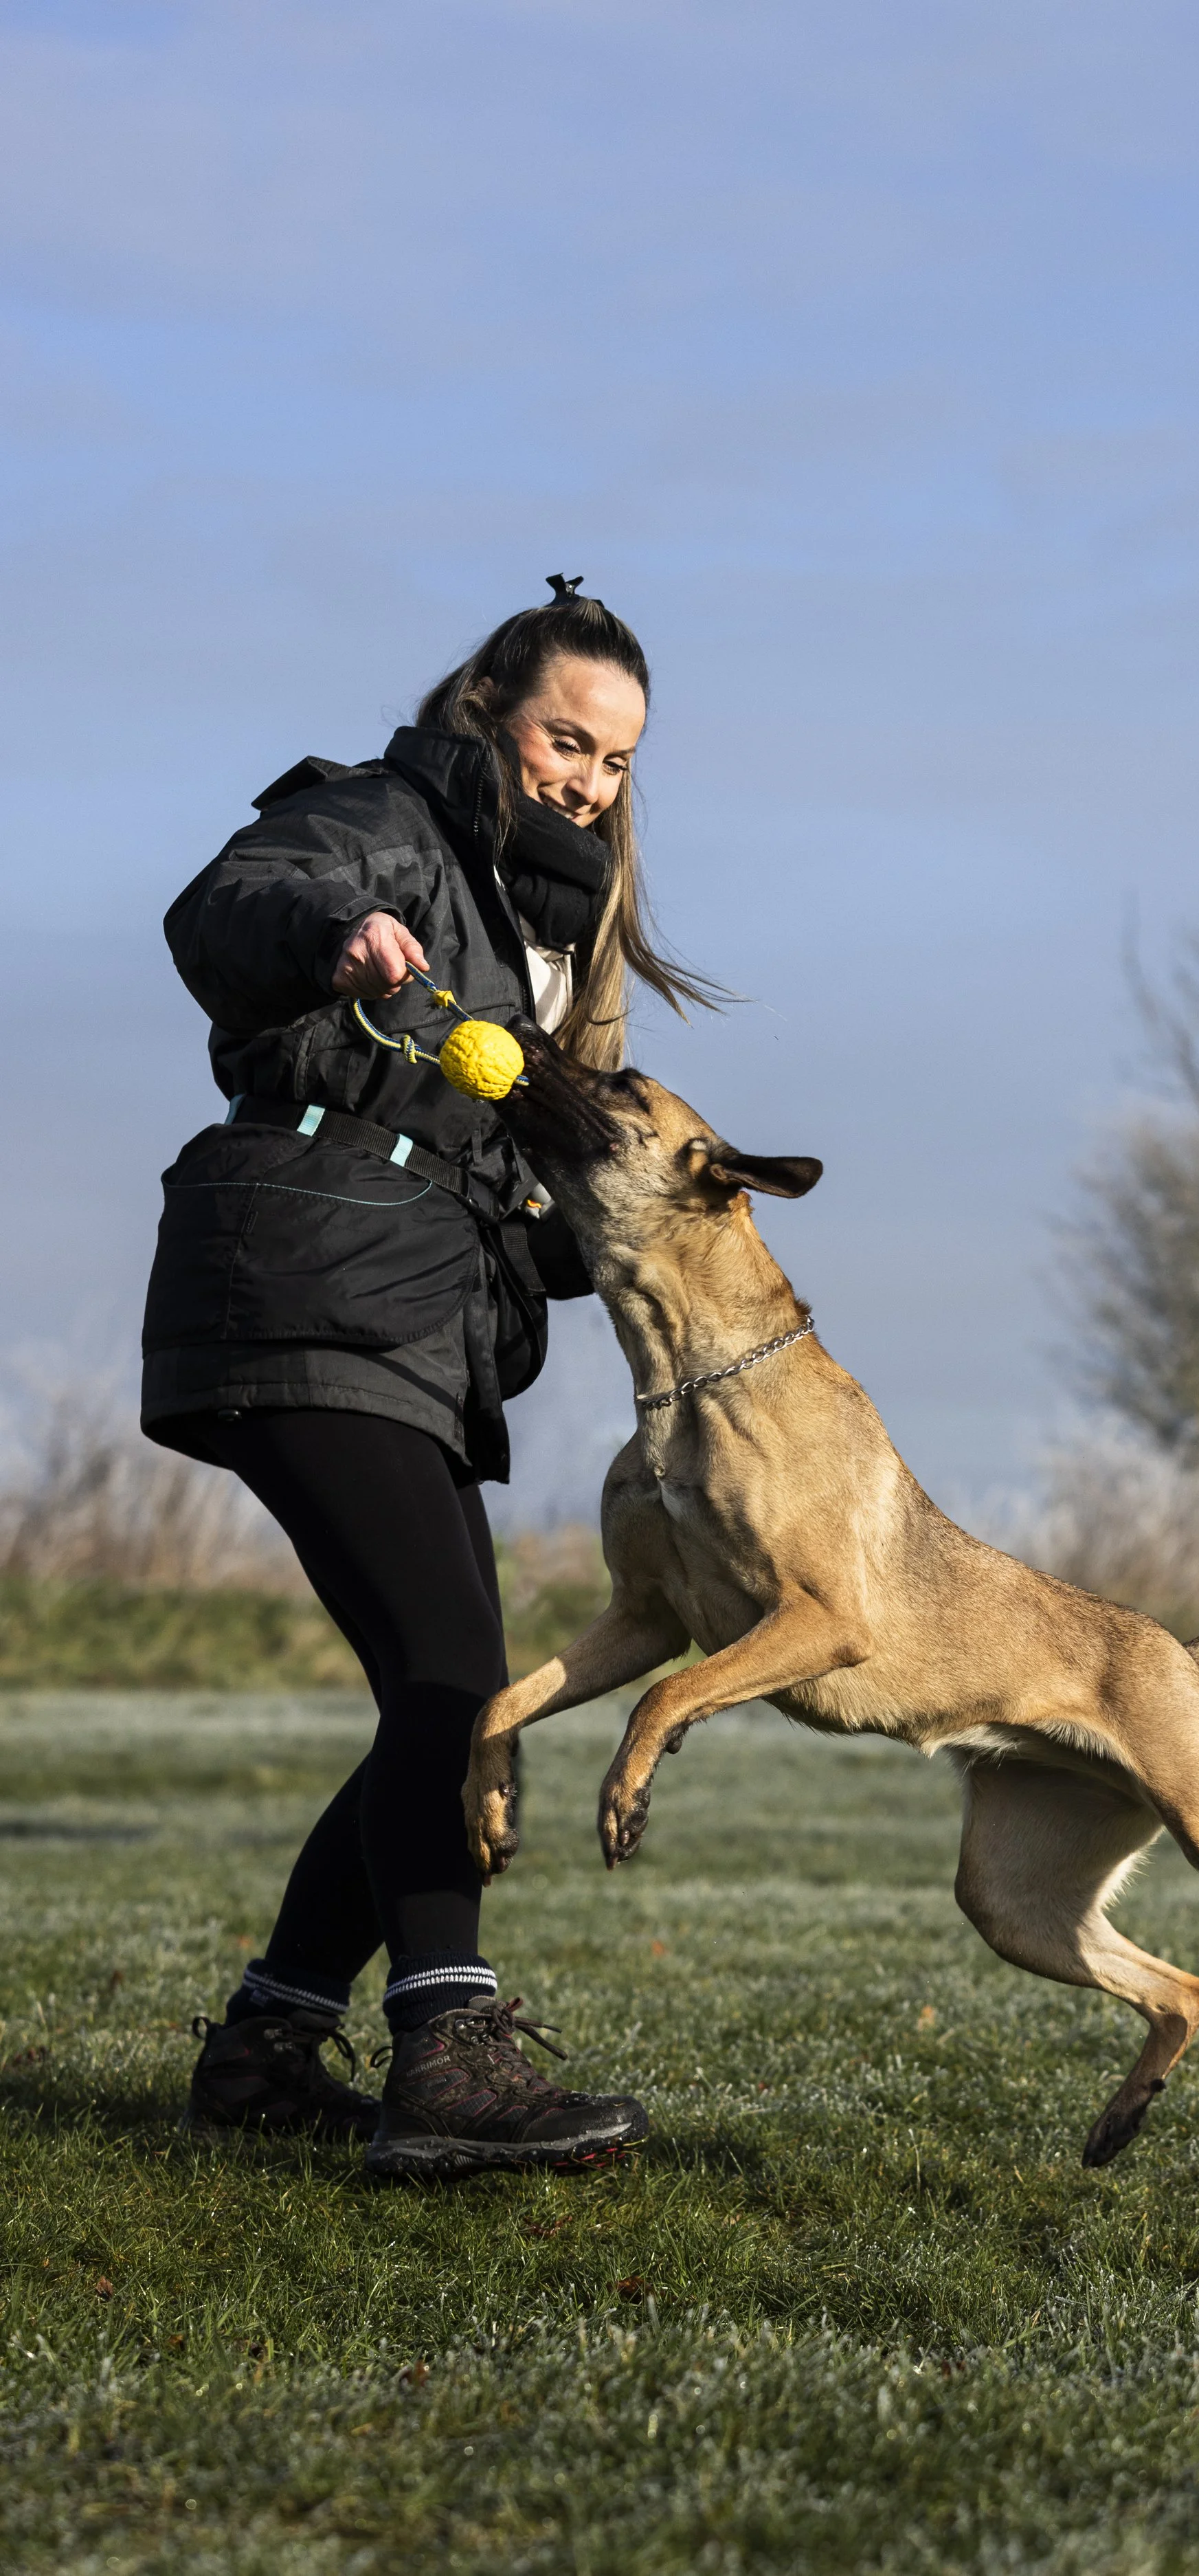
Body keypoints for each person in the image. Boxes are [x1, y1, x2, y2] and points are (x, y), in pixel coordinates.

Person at [143, 577, 715, 2179]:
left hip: (413, 1312)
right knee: (456, 1680)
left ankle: (269, 2042)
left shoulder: (547, 931)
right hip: (300, 1273)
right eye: (563, 737)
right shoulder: (380, 821)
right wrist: (338, 933)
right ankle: (446, 2058)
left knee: (453, 1709)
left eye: (613, 760)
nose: (586, 779)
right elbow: (219, 910)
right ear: (489, 705)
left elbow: (519, 1211)